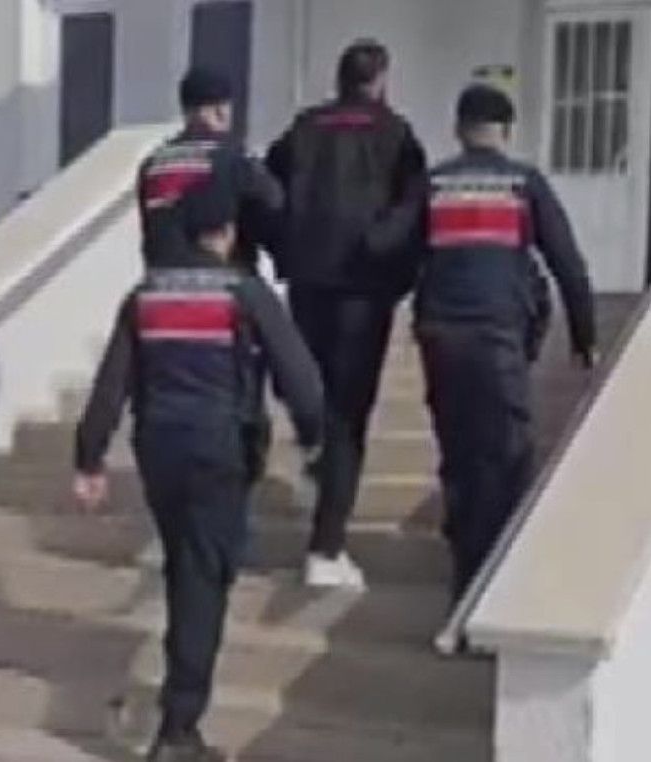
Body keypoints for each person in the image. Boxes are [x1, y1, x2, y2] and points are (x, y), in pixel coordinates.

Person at [73, 178, 323, 762]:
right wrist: (313, 440)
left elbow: (111, 384)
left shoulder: (145, 296)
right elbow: (301, 379)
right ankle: (178, 730)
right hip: (219, 452)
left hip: (159, 451)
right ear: (227, 232)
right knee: (205, 578)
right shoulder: (244, 292)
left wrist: (89, 458)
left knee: (188, 567)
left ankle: (179, 706)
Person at [411, 83, 597, 600]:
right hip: (497, 338)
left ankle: (464, 576)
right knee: (506, 459)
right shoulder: (523, 184)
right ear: (508, 132)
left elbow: (393, 247)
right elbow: (568, 263)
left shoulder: (434, 183)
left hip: (442, 338)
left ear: (458, 129)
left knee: (460, 455)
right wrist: (585, 338)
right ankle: (489, 585)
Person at [265, 39, 427, 588]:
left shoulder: (304, 129)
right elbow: (415, 207)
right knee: (348, 416)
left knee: (312, 395)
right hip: (364, 288)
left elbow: (267, 193)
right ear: (379, 80)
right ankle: (326, 547)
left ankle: (317, 452)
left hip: (310, 282)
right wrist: (396, 267)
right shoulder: (394, 133)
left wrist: (286, 252)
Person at [138, 66, 284, 273]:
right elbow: (273, 210)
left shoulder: (153, 165)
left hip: (161, 283)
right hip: (222, 281)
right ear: (221, 111)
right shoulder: (236, 160)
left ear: (185, 109)